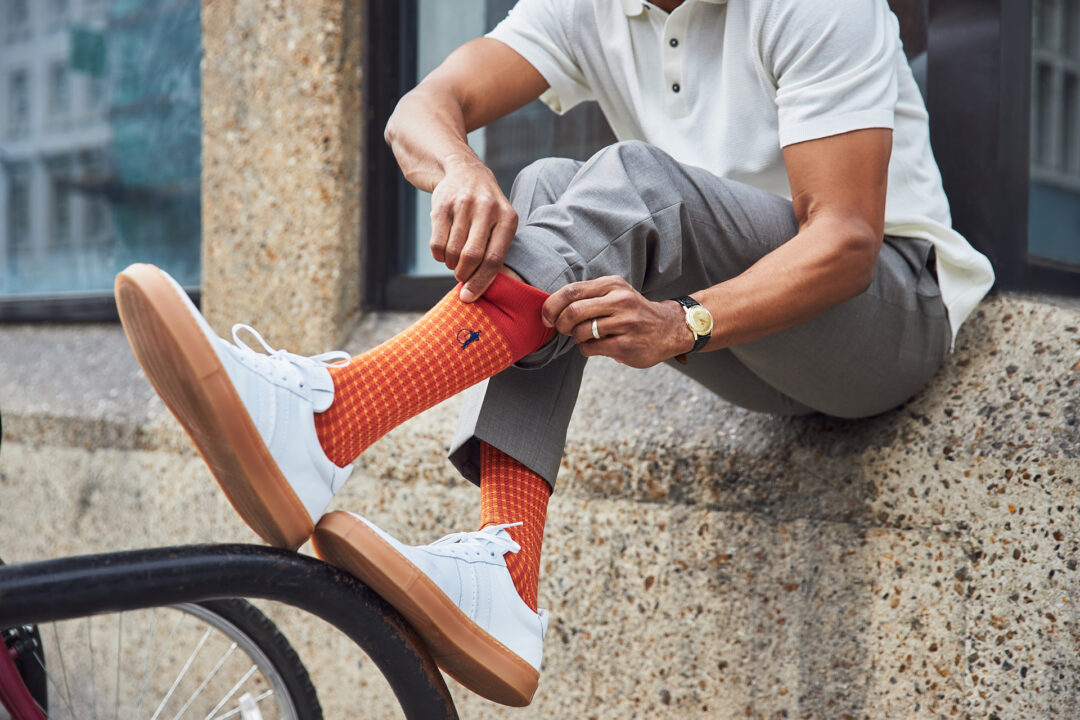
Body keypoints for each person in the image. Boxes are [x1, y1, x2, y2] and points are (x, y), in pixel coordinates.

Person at [114, 0, 995, 708]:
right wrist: (459, 169)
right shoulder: (590, 7)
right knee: (535, 192)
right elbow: (421, 110)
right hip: (745, 338)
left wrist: (684, 323)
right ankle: (507, 574)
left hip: (884, 318)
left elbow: (843, 239)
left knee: (636, 183)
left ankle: (335, 415)